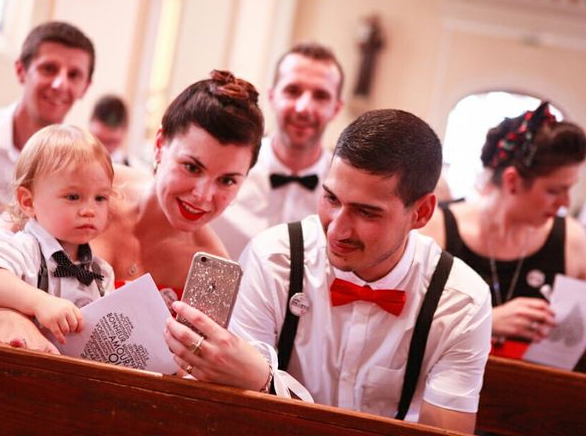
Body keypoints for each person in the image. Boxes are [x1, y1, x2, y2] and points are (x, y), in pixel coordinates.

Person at [164, 109, 492, 433]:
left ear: (421, 213)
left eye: (366, 212)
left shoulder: (460, 301)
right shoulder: (275, 259)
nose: (336, 229)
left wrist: (264, 381)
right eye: (331, 198)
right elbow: (236, 412)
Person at [0, 69, 264, 353]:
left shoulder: (214, 271)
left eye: (227, 180)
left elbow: (191, 373)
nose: (203, 195)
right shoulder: (89, 183)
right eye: (191, 167)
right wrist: (7, 319)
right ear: (159, 145)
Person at [420, 101, 586, 359]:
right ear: (512, 181)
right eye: (554, 191)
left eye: (569, 189)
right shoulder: (436, 230)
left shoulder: (572, 241)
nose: (565, 203)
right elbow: (398, 326)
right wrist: (487, 322)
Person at [0, 21, 95, 271]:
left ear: (85, 88)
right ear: (21, 71)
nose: (60, 84)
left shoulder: (86, 164)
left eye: (74, 75)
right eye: (49, 68)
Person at [0, 124, 115, 344]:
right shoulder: (21, 246)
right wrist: (40, 302)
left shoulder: (101, 274)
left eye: (100, 198)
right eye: (73, 197)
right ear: (28, 202)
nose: (89, 210)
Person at [211, 42, 343, 259]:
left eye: (320, 96)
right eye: (293, 91)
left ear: (335, 108)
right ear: (272, 97)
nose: (303, 108)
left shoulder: (346, 192)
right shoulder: (225, 171)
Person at [89, 94, 132, 166]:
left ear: (125, 131)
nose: (104, 149)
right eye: (98, 140)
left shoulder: (135, 171)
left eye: (111, 142)